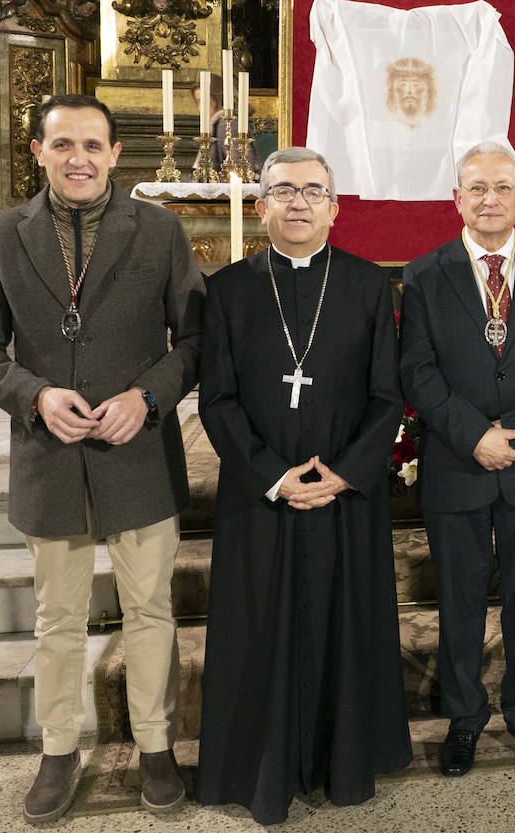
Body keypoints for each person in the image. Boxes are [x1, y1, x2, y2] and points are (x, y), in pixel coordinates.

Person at [0, 94, 204, 824]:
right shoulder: (5, 234)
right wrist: (32, 396)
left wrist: (147, 398)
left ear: (114, 154)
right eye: (63, 144)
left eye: (93, 145)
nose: (79, 158)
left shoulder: (159, 231)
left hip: (139, 452)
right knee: (57, 618)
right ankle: (59, 749)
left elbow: (194, 343)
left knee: (150, 608)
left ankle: (155, 745)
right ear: (37, 150)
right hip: (50, 455)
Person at [195, 146, 411, 824]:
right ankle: (260, 766)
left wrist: (345, 471)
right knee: (261, 628)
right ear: (260, 205)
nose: (297, 202)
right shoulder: (228, 289)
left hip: (344, 494)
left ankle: (342, 762)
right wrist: (273, 476)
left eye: (313, 191)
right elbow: (217, 400)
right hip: (261, 498)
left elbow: (388, 395)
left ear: (335, 207)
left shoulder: (371, 285)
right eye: (282, 190)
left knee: (344, 623)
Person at [400, 142, 515, 777]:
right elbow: (417, 371)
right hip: (457, 463)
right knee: (458, 602)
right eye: (475, 188)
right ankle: (464, 716)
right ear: (457, 198)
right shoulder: (425, 273)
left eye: (501, 187)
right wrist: (473, 435)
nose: (488, 199)